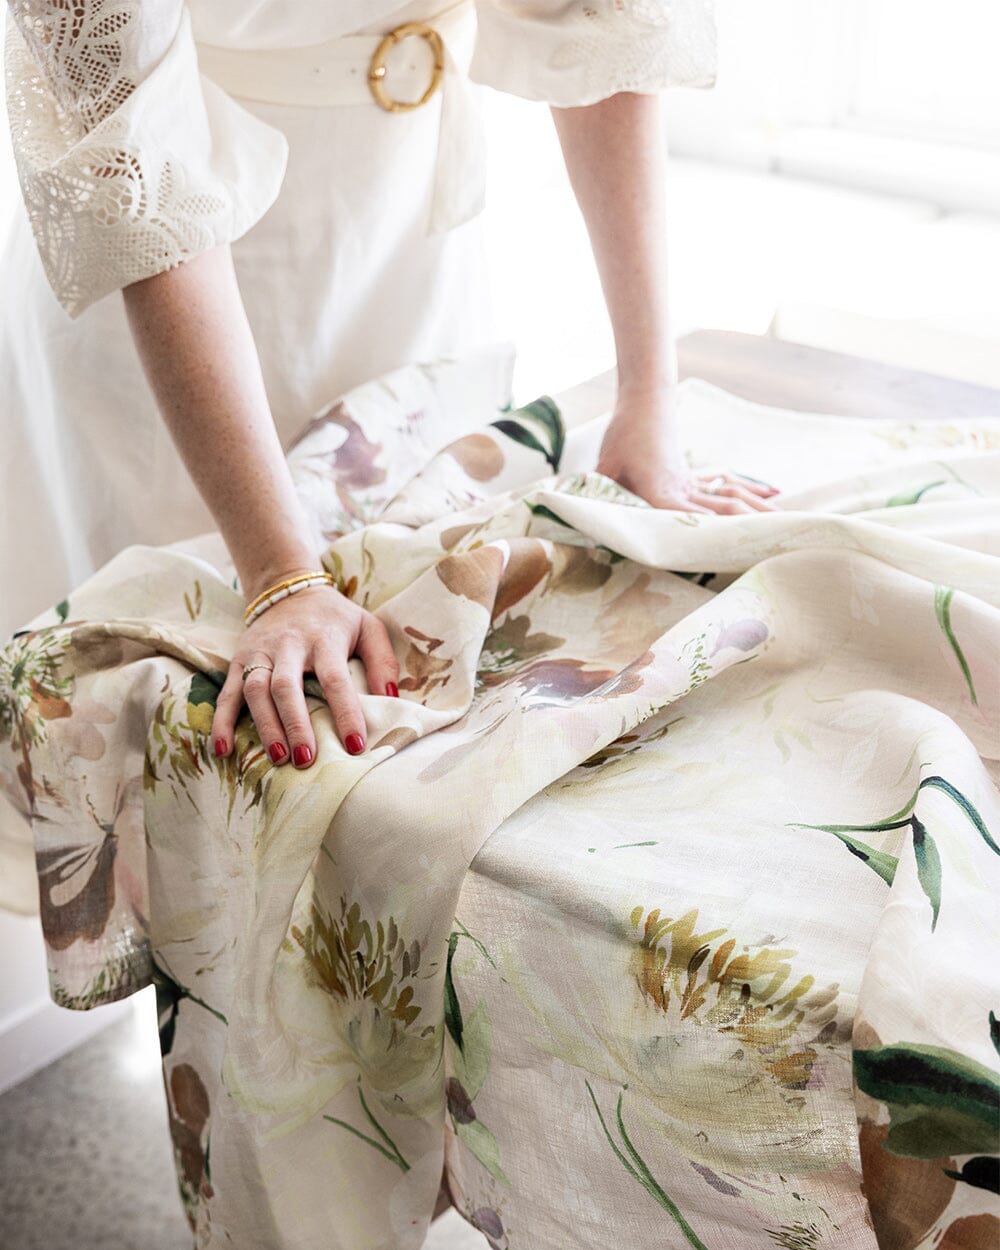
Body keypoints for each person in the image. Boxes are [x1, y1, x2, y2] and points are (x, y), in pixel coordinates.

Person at [1, 0, 776, 775]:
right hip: (170, 312)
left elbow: (602, 27)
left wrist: (647, 397)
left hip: (413, 246)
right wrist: (280, 578)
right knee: (162, 744)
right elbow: (145, 179)